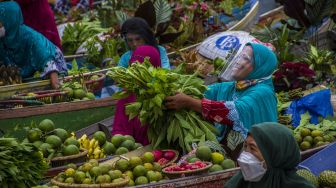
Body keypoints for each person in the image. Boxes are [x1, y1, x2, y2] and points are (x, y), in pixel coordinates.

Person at [165, 43, 278, 159]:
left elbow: (235, 111)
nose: (238, 61)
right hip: (230, 156)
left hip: (256, 159)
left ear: (260, 67)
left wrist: (189, 102)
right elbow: (203, 91)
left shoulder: (263, 92)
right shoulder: (233, 87)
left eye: (245, 58)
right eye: (239, 56)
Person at [224, 122, 314, 188]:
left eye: (252, 148)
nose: (245, 153)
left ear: (274, 155)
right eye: (245, 146)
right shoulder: (242, 180)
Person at [0, 1, 67, 89]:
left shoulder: (28, 36)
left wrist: (57, 88)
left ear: (9, 20)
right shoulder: (3, 39)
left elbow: (46, 59)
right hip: (29, 72)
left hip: (52, 65)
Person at [112, 45, 162, 145]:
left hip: (162, 153)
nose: (138, 74)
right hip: (133, 153)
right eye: (134, 68)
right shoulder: (126, 98)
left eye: (144, 69)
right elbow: (119, 132)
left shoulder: (165, 96)